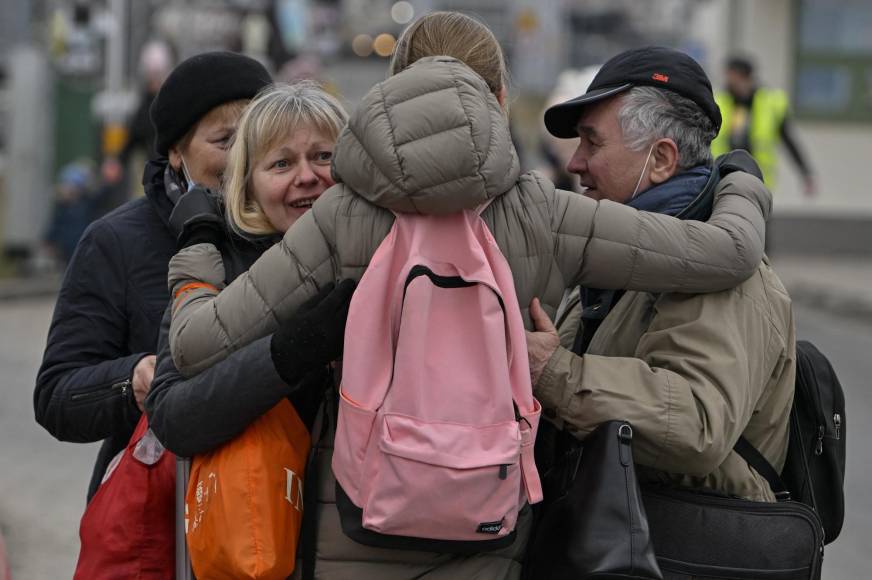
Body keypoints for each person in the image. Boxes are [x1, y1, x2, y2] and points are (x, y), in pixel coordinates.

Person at [164, 12, 771, 578]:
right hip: (489, 522)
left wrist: (194, 254)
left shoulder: (343, 213)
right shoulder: (542, 212)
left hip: (358, 515)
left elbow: (195, 345)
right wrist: (740, 179)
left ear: (398, 93)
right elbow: (728, 254)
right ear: (499, 101)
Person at [528, 46, 795, 502]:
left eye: (592, 142)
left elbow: (694, 422)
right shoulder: (624, 254)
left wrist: (554, 373)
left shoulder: (717, 275)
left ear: (661, 160)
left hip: (680, 555)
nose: (574, 163)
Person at [34, 51, 272, 501]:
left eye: (258, 140)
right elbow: (56, 396)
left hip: (282, 509)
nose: (244, 159)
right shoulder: (116, 241)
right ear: (176, 153)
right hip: (164, 521)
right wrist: (133, 379)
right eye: (225, 141)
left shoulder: (298, 231)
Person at [712, 55, 815, 196]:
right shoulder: (719, 101)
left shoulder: (771, 102)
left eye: (732, 75)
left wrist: (805, 173)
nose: (728, 80)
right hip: (723, 175)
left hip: (758, 178)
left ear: (745, 77)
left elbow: (789, 141)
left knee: (756, 216)